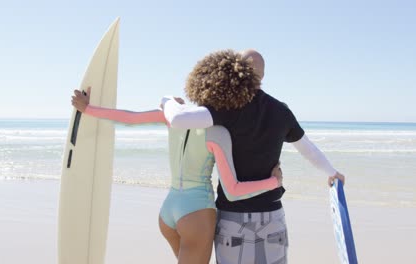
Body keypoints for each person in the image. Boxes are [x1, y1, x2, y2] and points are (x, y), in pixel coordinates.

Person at [71, 65, 283, 264]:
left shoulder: (173, 117)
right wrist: (273, 182)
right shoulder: (218, 131)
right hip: (196, 213)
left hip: (169, 211)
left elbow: (129, 118)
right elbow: (234, 190)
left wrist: (87, 108)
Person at [160, 49, 345, 264]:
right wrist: (332, 172)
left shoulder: (225, 107)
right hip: (271, 214)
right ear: (263, 76)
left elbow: (178, 120)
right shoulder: (281, 111)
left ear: (235, 71)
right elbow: (308, 149)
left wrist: (167, 100)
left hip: (232, 217)